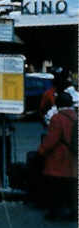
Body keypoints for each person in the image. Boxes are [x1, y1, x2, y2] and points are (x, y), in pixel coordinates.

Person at [37, 92, 78, 220]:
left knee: (55, 186)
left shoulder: (57, 118)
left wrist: (41, 151)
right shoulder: (76, 116)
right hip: (73, 157)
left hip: (59, 156)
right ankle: (73, 211)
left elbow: (52, 139)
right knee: (71, 185)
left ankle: (55, 211)